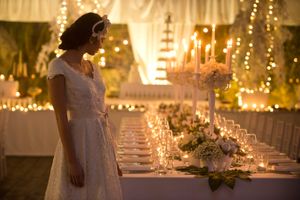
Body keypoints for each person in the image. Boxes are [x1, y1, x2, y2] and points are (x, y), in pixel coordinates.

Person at [44, 12, 123, 200]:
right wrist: (72, 161)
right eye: (101, 39)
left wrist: (112, 156)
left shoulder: (93, 67)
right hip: (78, 140)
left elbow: (103, 113)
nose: (102, 45)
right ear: (91, 38)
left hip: (101, 140)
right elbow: (60, 117)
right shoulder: (58, 67)